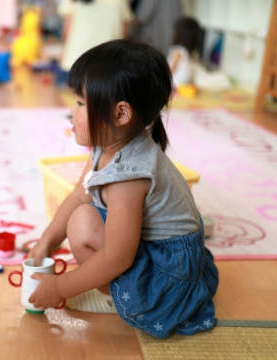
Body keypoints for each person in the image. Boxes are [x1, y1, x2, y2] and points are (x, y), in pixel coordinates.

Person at [27, 38, 219, 339]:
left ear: (120, 114)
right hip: (162, 255)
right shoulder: (109, 144)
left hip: (165, 283)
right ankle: (114, 286)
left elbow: (118, 257)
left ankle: (121, 298)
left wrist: (60, 287)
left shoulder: (128, 176)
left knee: (82, 221)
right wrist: (47, 240)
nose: (72, 112)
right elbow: (80, 193)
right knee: (83, 208)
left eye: (79, 103)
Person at [55, 0, 134, 88]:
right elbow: (124, 36)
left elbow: (66, 31)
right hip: (109, 66)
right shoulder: (122, 1)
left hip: (75, 62)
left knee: (72, 100)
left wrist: (62, 52)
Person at [167, 17, 201, 87]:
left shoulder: (177, 50)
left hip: (176, 84)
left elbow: (171, 69)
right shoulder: (189, 51)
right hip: (185, 83)